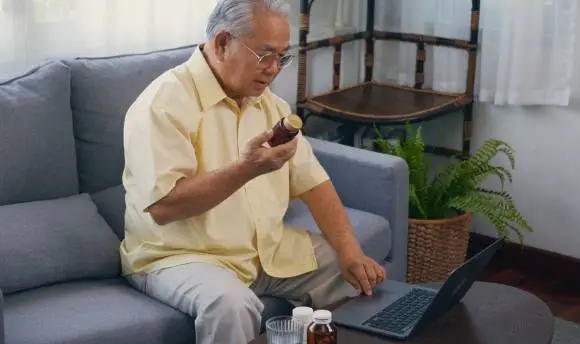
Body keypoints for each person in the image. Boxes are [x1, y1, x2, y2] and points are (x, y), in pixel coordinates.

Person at [119, 0, 385, 343]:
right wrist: (246, 169)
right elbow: (165, 207)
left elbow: (313, 182)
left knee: (359, 274)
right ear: (221, 43)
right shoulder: (163, 104)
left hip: (263, 251)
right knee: (231, 304)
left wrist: (350, 252)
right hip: (179, 257)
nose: (274, 69)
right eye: (264, 55)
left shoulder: (269, 104)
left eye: (282, 57)